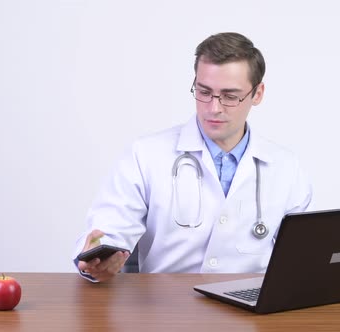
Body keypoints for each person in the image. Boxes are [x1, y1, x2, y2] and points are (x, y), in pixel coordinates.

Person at [73, 32, 313, 282]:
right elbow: (108, 230)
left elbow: (300, 257)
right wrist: (99, 257)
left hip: (252, 306)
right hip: (166, 308)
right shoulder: (145, 155)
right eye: (204, 92)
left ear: (258, 94)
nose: (214, 108)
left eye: (230, 96)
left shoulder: (286, 166)